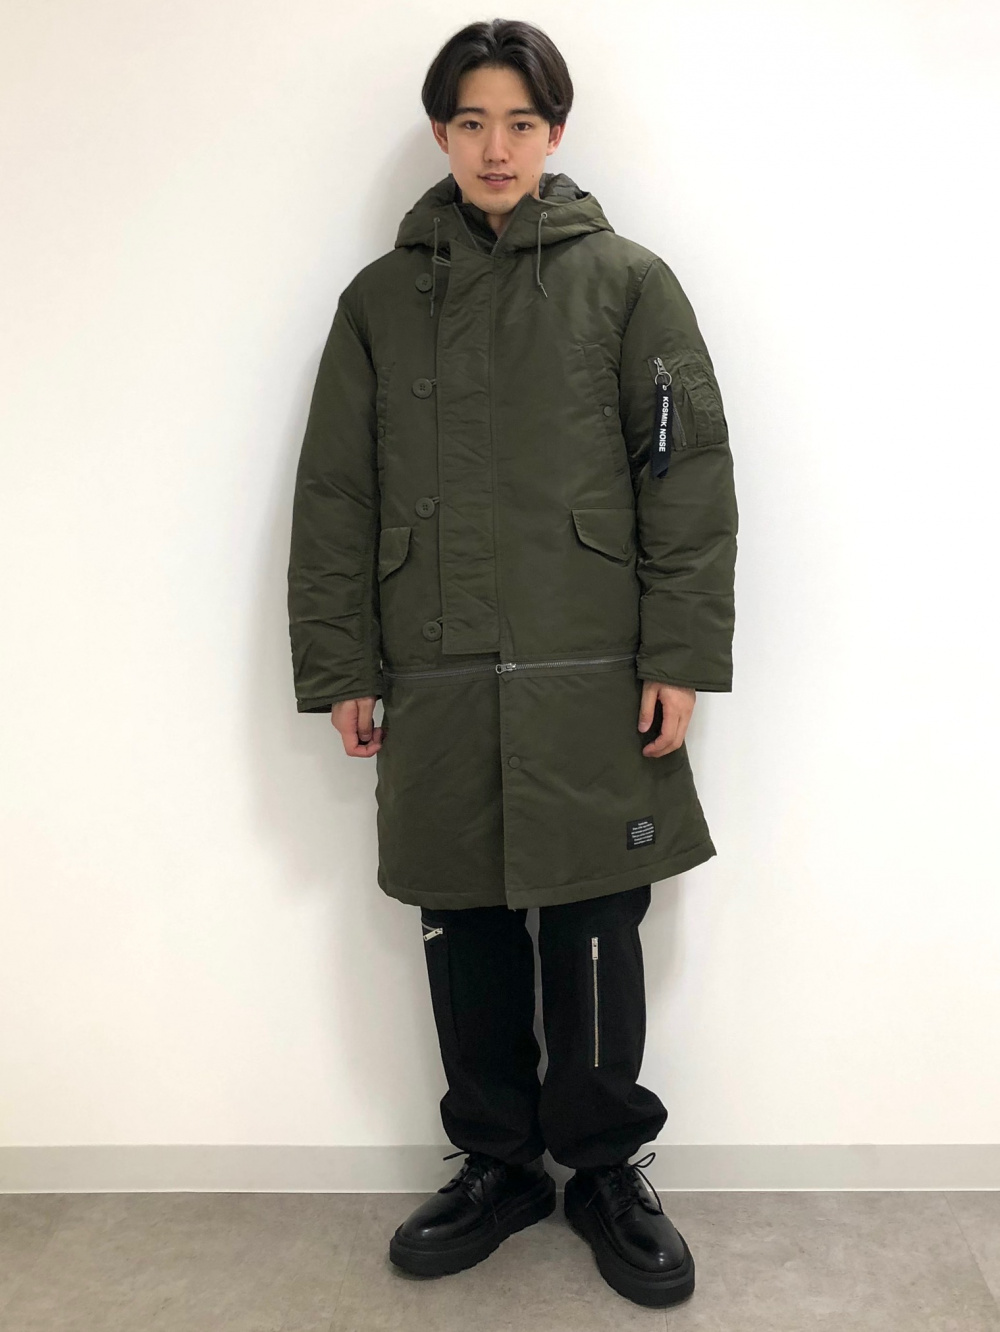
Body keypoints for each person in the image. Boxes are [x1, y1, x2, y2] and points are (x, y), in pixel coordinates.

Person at [286, 18, 738, 1310]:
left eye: (521, 123)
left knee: (595, 919)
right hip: (431, 670)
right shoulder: (378, 304)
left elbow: (686, 480)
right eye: (473, 122)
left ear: (555, 132)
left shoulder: (629, 284)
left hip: (592, 669)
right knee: (464, 921)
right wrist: (342, 662)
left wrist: (679, 652)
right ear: (441, 132)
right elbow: (336, 495)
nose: (497, 148)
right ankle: (497, 1164)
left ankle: (602, 1170)